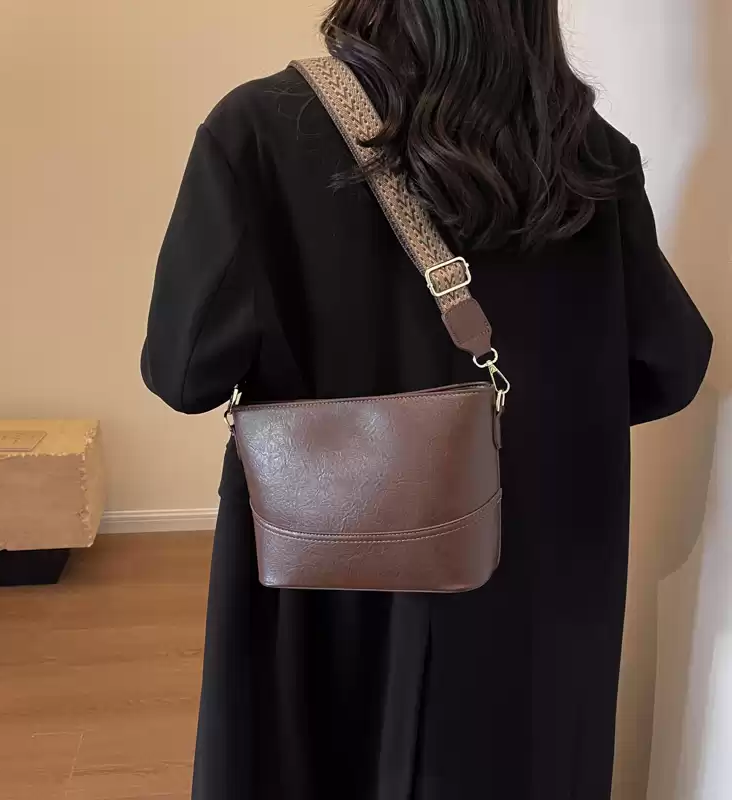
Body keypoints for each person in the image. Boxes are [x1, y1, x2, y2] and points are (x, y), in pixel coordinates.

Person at [141, 1, 713, 798]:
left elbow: (185, 372)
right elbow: (668, 365)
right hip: (533, 593)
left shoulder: (260, 129)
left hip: (327, 590)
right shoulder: (591, 154)